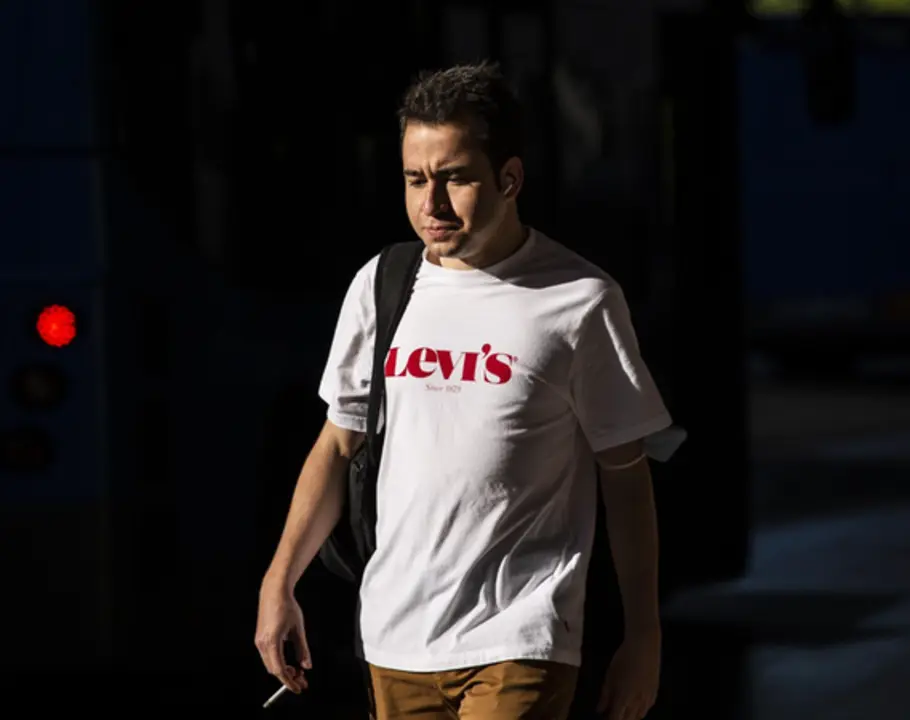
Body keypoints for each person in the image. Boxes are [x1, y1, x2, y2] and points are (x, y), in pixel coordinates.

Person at [254, 61, 679, 720]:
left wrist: (644, 636)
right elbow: (338, 446)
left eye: (454, 178)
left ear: (509, 178)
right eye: (415, 180)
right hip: (395, 637)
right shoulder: (382, 285)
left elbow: (626, 478)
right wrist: (278, 583)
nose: (432, 204)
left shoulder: (580, 302)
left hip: (522, 636)